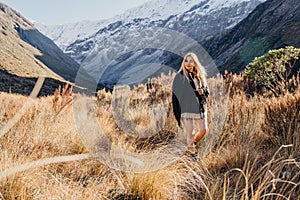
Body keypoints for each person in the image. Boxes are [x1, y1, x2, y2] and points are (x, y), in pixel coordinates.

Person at [172, 52, 210, 158]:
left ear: (195, 63)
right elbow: (175, 96)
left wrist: (202, 91)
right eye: (186, 61)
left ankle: (193, 144)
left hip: (199, 106)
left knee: (203, 130)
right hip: (186, 108)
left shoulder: (198, 76)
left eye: (190, 61)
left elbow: (207, 90)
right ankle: (192, 156)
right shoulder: (179, 77)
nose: (188, 63)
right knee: (190, 133)